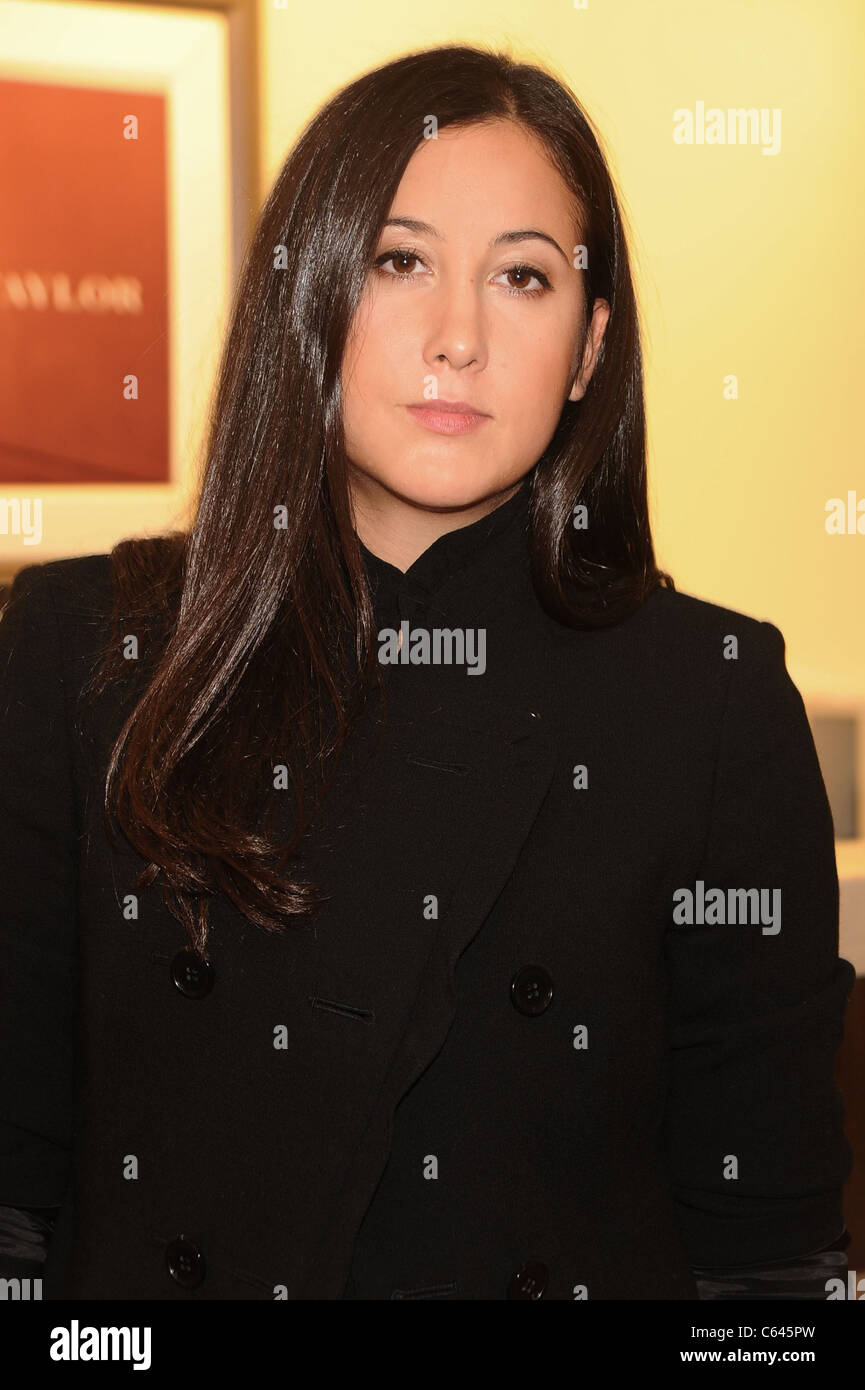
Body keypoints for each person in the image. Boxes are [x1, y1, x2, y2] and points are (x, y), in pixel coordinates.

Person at [0, 43, 854, 1301]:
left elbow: (768, 1260)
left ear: (586, 347)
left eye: (522, 276)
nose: (457, 338)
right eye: (400, 261)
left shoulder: (707, 698)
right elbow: (16, 1197)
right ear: (307, 296)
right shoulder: (85, 648)